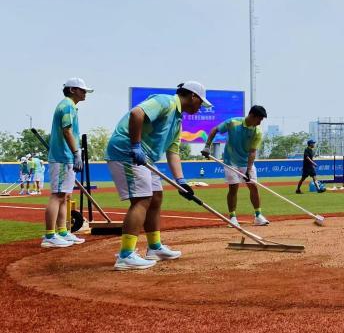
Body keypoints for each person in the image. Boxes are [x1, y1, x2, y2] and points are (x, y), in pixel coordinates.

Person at [106, 81, 211, 270]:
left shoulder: (178, 122)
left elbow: (173, 153)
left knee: (156, 196)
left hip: (147, 158)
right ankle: (126, 255)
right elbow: (136, 114)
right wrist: (135, 145)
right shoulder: (165, 102)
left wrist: (181, 182)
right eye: (200, 103)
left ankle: (154, 247)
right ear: (193, 96)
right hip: (127, 152)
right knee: (142, 199)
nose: (200, 108)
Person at [41, 78, 92, 248]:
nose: (85, 93)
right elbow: (67, 130)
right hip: (63, 156)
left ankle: (62, 232)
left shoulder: (69, 106)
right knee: (57, 195)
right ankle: (50, 235)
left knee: (64, 196)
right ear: (72, 90)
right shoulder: (68, 106)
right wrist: (76, 152)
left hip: (66, 157)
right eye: (82, 90)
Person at [202, 105, 269, 227]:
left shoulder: (257, 132)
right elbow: (214, 130)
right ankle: (232, 217)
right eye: (259, 119)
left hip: (246, 162)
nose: (260, 123)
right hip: (230, 161)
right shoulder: (233, 122)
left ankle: (258, 215)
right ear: (252, 116)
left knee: (253, 186)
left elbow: (252, 151)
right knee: (233, 188)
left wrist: (248, 170)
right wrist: (207, 147)